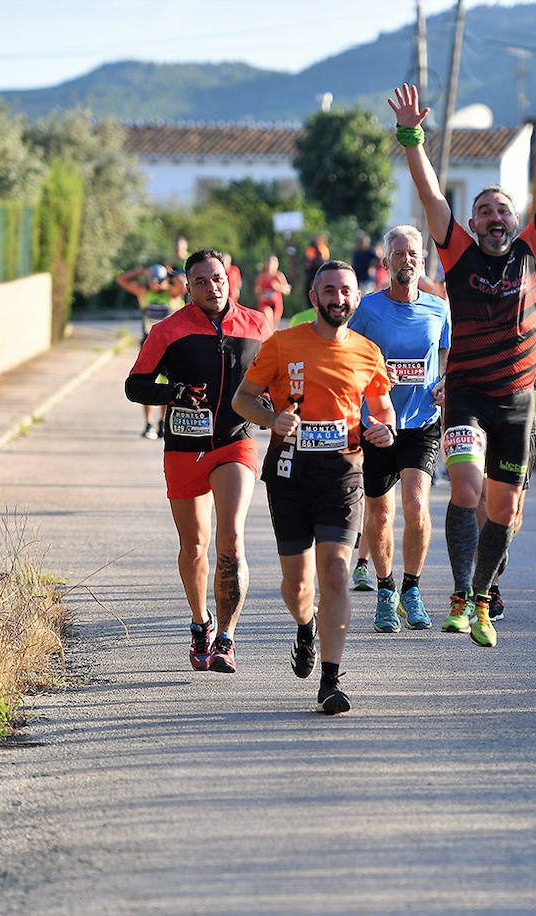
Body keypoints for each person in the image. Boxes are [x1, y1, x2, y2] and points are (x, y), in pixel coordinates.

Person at [388, 75, 536, 648]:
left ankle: (481, 598)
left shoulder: (534, 251)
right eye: (484, 210)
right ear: (472, 224)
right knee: (469, 491)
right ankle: (457, 597)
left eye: (502, 209)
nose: (494, 216)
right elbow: (430, 196)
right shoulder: (455, 253)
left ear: (514, 219)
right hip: (468, 397)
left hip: (519, 403)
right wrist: (411, 136)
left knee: (503, 510)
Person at [232, 260, 394, 714]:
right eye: (329, 290)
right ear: (313, 297)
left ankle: (330, 679)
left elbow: (383, 410)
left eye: (345, 290)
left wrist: (384, 429)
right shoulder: (283, 344)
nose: (338, 298)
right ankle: (306, 625)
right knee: (297, 584)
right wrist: (271, 418)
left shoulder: (367, 352)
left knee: (337, 573)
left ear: (356, 298)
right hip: (289, 473)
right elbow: (242, 399)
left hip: (344, 474)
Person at [124, 248, 272, 673]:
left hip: (234, 442)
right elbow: (136, 386)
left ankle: (226, 637)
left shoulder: (257, 325)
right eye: (202, 281)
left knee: (232, 538)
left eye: (218, 279)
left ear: (231, 281)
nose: (212, 287)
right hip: (185, 448)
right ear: (187, 287)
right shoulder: (167, 330)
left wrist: (272, 407)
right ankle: (200, 622)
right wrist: (174, 393)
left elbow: (277, 378)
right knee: (194, 547)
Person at [345, 225, 451, 633]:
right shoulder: (368, 310)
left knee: (416, 504)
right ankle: (386, 591)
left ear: (421, 260)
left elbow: (446, 358)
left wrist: (444, 384)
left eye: (413, 254)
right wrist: (373, 381)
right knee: (380, 510)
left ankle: (412, 589)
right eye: (399, 254)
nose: (407, 260)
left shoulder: (438, 308)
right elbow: (349, 362)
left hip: (422, 420)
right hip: (377, 423)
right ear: (386, 261)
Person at [476, 317, 536, 621]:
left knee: (511, 513)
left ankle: (499, 544)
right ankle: (488, 589)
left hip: (520, 420)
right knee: (482, 501)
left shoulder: (533, 322)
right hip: (479, 418)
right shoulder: (474, 314)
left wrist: (530, 381)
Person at [117, 262, 177, 439]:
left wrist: (170, 275)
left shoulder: (171, 294)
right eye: (152, 280)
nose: (155, 284)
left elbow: (182, 285)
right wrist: (143, 271)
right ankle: (148, 423)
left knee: (166, 384)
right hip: (148, 344)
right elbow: (121, 279)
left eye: (159, 280)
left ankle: (162, 422)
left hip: (169, 346)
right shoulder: (144, 292)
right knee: (146, 384)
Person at [255, 254, 291, 330]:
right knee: (267, 314)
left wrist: (279, 287)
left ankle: (272, 337)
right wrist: (261, 294)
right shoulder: (262, 276)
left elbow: (287, 290)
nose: (271, 265)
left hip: (277, 303)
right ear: (266, 264)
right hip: (265, 302)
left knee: (273, 327)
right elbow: (257, 289)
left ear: (276, 265)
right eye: (269, 262)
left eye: (273, 263)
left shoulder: (279, 276)